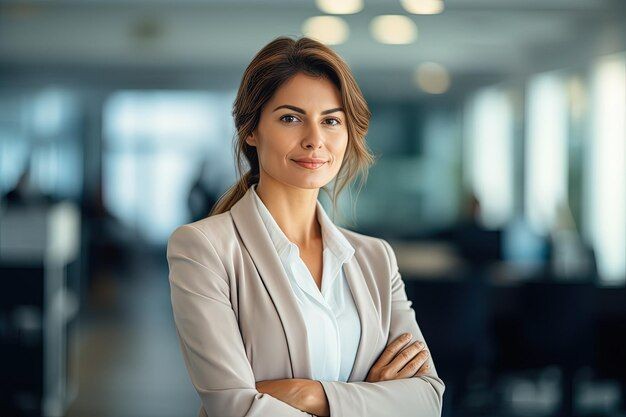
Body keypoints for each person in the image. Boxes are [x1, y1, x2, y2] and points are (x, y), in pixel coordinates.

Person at [166, 36, 445, 417]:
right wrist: (369, 400)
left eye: (331, 121)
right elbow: (235, 408)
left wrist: (304, 394)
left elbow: (427, 398)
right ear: (251, 129)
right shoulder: (203, 248)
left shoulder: (375, 258)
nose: (315, 141)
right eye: (290, 118)